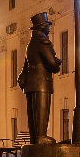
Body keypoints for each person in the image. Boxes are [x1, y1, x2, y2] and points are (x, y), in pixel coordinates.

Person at [17, 12, 62, 144]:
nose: (49, 28)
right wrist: (57, 63)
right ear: (43, 26)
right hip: (42, 81)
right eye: (48, 25)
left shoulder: (30, 44)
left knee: (32, 111)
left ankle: (34, 138)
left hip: (30, 82)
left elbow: (26, 65)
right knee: (42, 108)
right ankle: (41, 136)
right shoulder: (43, 41)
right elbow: (52, 64)